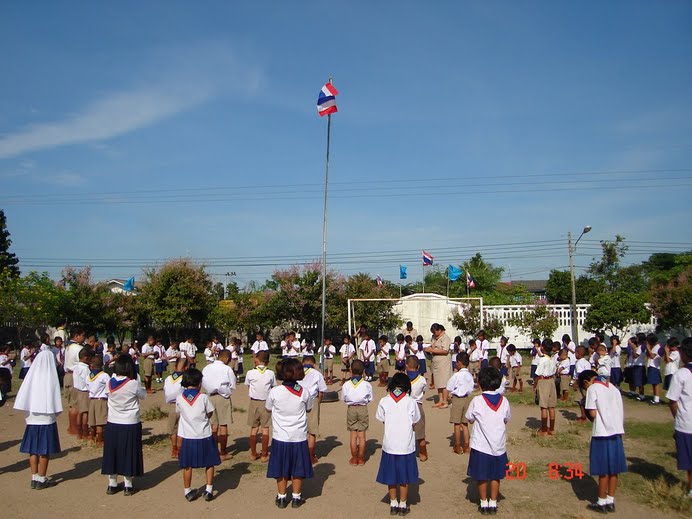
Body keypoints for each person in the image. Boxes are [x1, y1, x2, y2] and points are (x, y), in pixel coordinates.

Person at [266, 358, 314, 509]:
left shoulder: (275, 391)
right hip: (299, 436)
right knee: (298, 468)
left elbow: (268, 408)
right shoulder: (304, 392)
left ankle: (281, 497)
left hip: (280, 437)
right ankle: (296, 497)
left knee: (281, 468)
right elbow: (309, 409)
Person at [578, 369, 627, 513]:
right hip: (616, 432)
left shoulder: (593, 389)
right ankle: (611, 500)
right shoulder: (612, 387)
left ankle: (601, 501)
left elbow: (592, 412)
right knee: (614, 469)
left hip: (602, 433)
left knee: (603, 470)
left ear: (586, 382)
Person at [14, 350, 62, 489]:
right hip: (47, 418)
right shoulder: (51, 375)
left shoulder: (32, 374)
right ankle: (41, 478)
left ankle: (34, 476)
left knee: (33, 449)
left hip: (32, 416)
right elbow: (55, 396)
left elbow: (24, 393)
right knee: (44, 450)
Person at [465, 367, 511, 515]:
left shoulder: (477, 401)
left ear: (479, 382)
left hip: (481, 446)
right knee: (495, 476)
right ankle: (493, 502)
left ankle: (483, 503)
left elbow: (469, 418)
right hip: (498, 446)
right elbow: (506, 419)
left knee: (481, 476)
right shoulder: (504, 401)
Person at [375, 372, 421, 517]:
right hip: (405, 445)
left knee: (391, 477)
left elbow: (381, 418)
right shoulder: (411, 401)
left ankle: (393, 503)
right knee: (404, 478)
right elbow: (415, 420)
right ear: (407, 387)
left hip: (390, 444)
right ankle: (403, 504)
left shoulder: (384, 401)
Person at [103, 354, 146, 496]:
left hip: (113, 421)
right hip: (130, 422)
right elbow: (143, 395)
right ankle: (128, 484)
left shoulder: (110, 382)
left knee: (112, 452)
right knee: (129, 452)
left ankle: (112, 483)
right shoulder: (133, 383)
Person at [177, 368, 220, 502]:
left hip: (187, 436)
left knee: (187, 465)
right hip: (204, 435)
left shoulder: (179, 398)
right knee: (209, 463)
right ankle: (208, 490)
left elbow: (179, 413)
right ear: (199, 383)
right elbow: (210, 412)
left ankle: (187, 490)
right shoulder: (203, 397)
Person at [666, 337, 692, 499]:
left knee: (689, 460)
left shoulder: (681, 374)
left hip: (686, 422)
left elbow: (672, 401)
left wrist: (677, 418)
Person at [201, 349, 236, 461]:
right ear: (226, 358)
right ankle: (223, 452)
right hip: (223, 397)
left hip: (210, 396)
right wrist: (226, 391)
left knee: (213, 426)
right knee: (223, 425)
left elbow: (203, 382)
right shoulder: (227, 369)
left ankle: (214, 450)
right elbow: (233, 385)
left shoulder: (207, 368)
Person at [245, 350, 275, 462]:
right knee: (265, 428)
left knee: (254, 428)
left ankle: (253, 453)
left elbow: (248, 386)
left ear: (257, 360)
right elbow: (273, 387)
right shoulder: (270, 373)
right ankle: (264, 454)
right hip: (266, 403)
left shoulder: (250, 373)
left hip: (254, 402)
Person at [341, 359, 373, 466]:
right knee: (362, 436)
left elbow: (344, 398)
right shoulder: (367, 384)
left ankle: (354, 458)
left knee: (353, 435)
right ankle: (361, 458)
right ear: (363, 371)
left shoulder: (346, 384)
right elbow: (370, 398)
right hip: (363, 408)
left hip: (351, 408)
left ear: (351, 370)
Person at [299, 355, 327, 464]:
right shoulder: (317, 374)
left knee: (300, 427)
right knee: (312, 429)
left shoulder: (297, 372)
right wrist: (318, 402)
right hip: (313, 399)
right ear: (314, 364)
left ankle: (301, 453)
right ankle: (310, 455)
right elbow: (321, 391)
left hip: (299, 399)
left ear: (302, 363)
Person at [447, 351, 473, 455]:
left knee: (457, 424)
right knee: (465, 424)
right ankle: (466, 446)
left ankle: (457, 446)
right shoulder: (469, 375)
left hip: (457, 399)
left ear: (458, 363)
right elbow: (471, 388)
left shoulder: (457, 375)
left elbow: (449, 387)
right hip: (467, 399)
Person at [164, 358, 188, 459]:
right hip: (183, 405)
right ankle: (180, 449)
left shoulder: (168, 378)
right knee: (182, 428)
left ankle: (174, 449)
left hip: (172, 406)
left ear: (175, 366)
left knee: (173, 428)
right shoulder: (186, 378)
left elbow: (166, 391)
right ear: (186, 367)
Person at [406, 355, 429, 462]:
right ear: (418, 366)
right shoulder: (422, 379)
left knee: (405, 431)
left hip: (405, 406)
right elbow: (424, 391)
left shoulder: (403, 378)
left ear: (406, 366)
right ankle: (423, 453)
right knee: (420, 432)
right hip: (417, 406)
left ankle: (406, 452)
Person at [425, 323, 452, 409]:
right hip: (436, 363)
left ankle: (445, 401)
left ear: (439, 330)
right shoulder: (433, 338)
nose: (433, 334)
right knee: (438, 382)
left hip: (444, 363)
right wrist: (428, 349)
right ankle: (440, 400)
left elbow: (445, 350)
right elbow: (432, 346)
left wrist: (432, 350)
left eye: (434, 332)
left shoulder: (445, 338)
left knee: (444, 382)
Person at [535, 339, 557, 436]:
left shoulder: (543, 360)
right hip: (551, 381)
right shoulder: (552, 359)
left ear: (542, 347)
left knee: (544, 407)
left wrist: (535, 385)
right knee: (551, 406)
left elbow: (538, 374)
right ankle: (551, 429)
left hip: (543, 381)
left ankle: (544, 430)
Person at [87, 355, 110, 446]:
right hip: (101, 400)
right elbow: (109, 387)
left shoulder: (89, 376)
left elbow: (88, 387)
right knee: (100, 422)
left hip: (92, 400)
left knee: (92, 421)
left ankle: (92, 438)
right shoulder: (104, 375)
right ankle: (100, 441)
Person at [73, 347, 94, 439]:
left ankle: (79, 431)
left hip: (77, 390)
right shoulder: (85, 369)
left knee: (79, 412)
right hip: (84, 391)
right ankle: (85, 432)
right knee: (85, 412)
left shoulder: (76, 367)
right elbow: (89, 379)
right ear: (86, 358)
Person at [645, 333, 663, 405]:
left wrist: (648, 348)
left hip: (654, 366)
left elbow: (652, 356)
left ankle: (657, 399)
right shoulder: (654, 347)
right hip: (651, 365)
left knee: (656, 383)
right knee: (653, 383)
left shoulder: (657, 347)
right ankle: (655, 397)